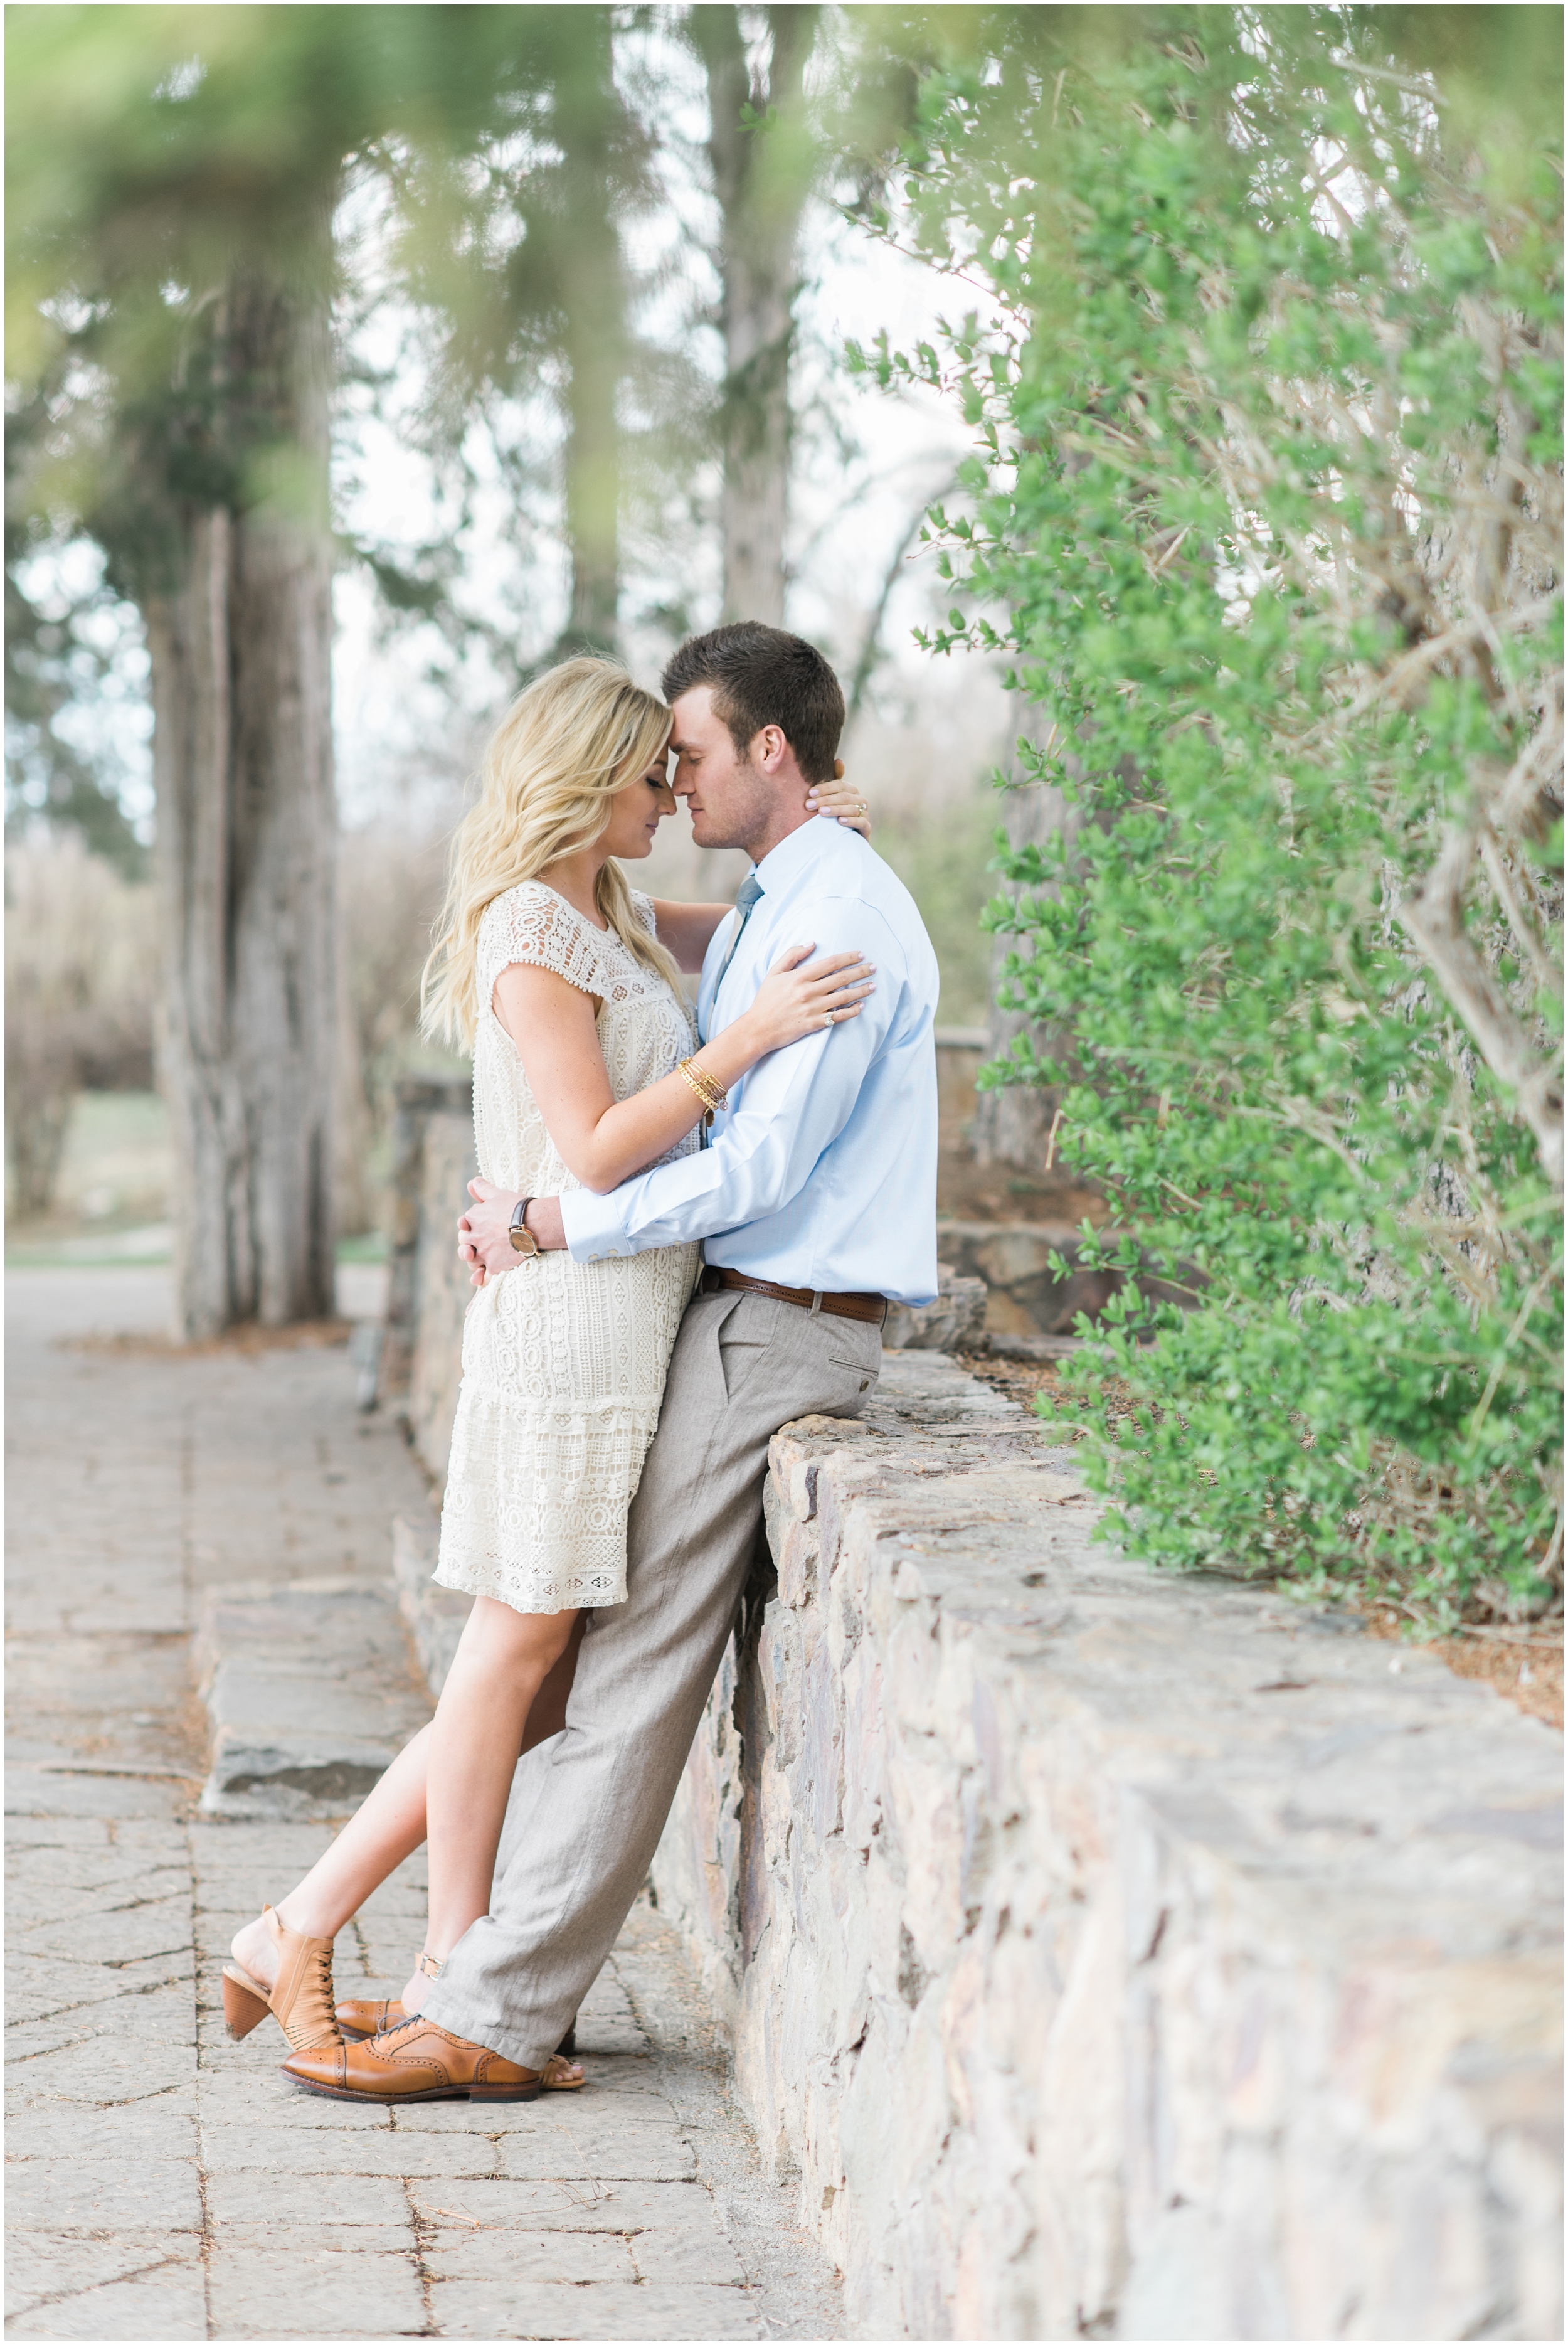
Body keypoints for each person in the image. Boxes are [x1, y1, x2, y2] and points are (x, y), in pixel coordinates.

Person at [276, 621, 939, 2107]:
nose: (670, 789)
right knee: (544, 1652)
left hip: (744, 1307)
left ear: (766, 751)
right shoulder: (711, 904)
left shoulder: (784, 904)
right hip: (621, 1313)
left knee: (581, 1660)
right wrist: (552, 1213)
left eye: (687, 759)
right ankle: (432, 1971)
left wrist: (547, 1215)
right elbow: (662, 1069)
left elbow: (751, 1148)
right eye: (649, 773)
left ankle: (469, 1994)